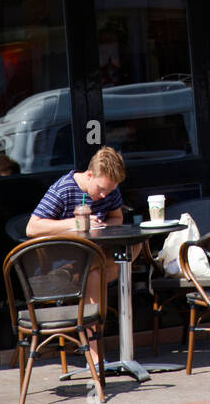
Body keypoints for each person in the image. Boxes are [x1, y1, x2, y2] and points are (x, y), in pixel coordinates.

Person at [26, 146, 136, 361]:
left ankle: (95, 356)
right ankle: (95, 356)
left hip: (91, 259)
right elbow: (32, 227)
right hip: (61, 260)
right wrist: (72, 224)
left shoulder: (110, 189)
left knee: (133, 247)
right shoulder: (63, 189)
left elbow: (117, 218)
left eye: (110, 190)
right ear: (89, 175)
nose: (104, 195)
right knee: (95, 273)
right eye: (102, 189)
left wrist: (103, 225)